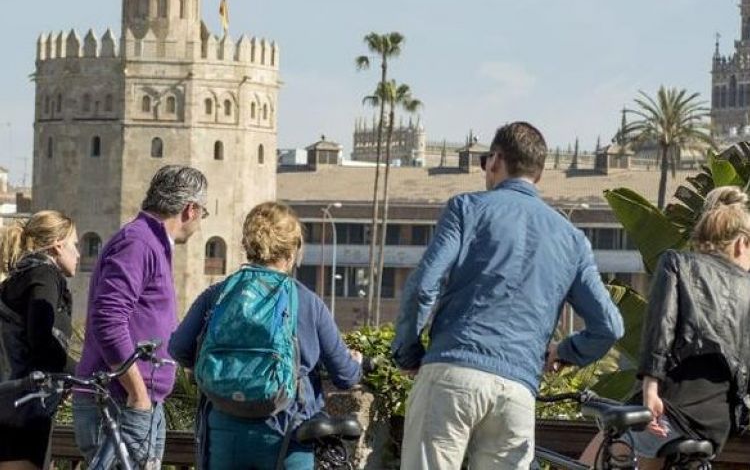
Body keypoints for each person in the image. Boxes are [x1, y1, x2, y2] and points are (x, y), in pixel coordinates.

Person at [391, 121, 624, 470]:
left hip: (453, 370)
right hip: (517, 389)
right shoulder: (572, 239)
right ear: (539, 175)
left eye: (485, 162)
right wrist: (565, 352)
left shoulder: (466, 209)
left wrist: (407, 351)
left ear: (496, 160)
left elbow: (423, 286)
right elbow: (609, 326)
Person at [169, 201, 362, 470]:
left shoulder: (218, 294)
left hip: (224, 429)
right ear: (292, 252)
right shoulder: (307, 302)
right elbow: (345, 375)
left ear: (249, 246)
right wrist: (358, 362)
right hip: (288, 432)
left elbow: (179, 349)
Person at [581, 186, 750, 469]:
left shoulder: (677, 263)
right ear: (740, 243)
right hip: (720, 422)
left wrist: (650, 390)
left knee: (599, 454)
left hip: (672, 409)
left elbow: (660, 328)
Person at [73, 165, 208, 468]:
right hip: (120, 400)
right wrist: (138, 393)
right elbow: (108, 319)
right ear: (191, 210)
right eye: (203, 214)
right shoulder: (139, 243)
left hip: (133, 401)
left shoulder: (148, 242)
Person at [0, 211, 79, 470]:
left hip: (14, 401)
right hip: (19, 407)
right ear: (58, 245)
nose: (78, 254)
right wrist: (80, 372)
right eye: (75, 245)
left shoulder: (25, 274)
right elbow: (41, 340)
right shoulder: (43, 274)